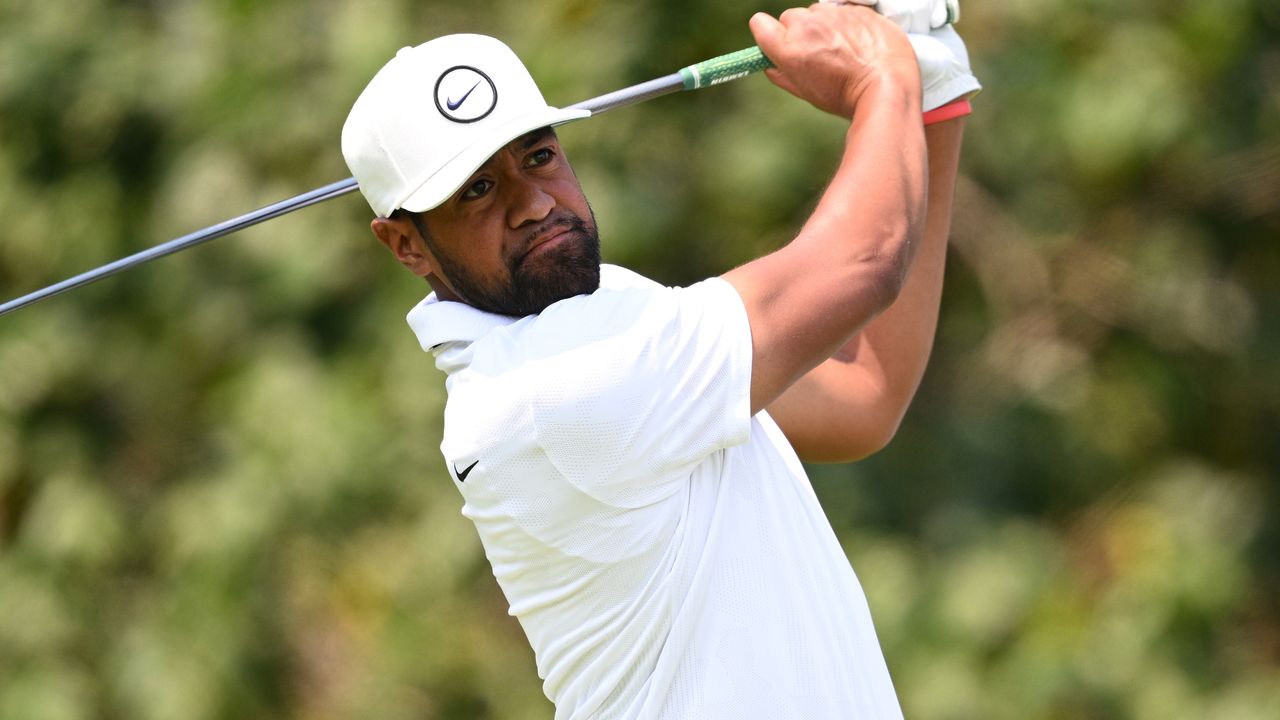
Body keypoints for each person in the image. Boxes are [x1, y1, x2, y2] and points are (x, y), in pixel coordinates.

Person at [341, 1, 979, 717]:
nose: (533, 205)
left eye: (539, 156)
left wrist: (930, 99)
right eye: (479, 191)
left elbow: (865, 394)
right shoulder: (551, 389)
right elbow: (863, 262)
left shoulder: (604, 320)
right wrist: (884, 74)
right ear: (406, 244)